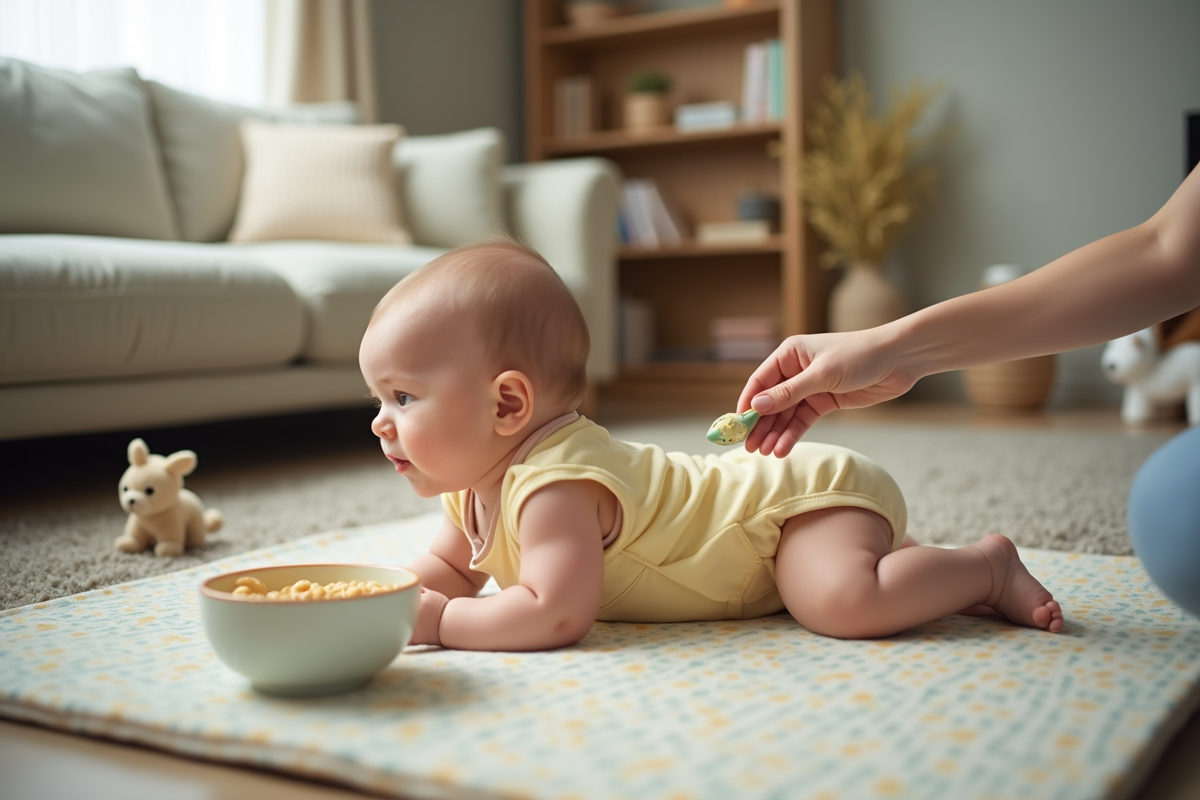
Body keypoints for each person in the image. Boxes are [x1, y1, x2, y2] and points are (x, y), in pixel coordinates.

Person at [358, 240, 1064, 652]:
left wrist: (444, 624)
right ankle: (913, 564)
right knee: (824, 587)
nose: (380, 421)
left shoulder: (557, 485)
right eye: (380, 399)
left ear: (508, 404)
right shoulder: (470, 487)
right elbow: (442, 573)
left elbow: (555, 612)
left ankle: (985, 569)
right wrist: (381, 605)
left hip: (787, 506)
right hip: (768, 530)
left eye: (403, 397)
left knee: (839, 603)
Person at [738, 164, 1200, 617]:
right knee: (1175, 514)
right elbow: (1166, 250)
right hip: (781, 490)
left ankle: (986, 568)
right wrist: (897, 351)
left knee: (843, 599)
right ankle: (929, 567)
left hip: (797, 501)